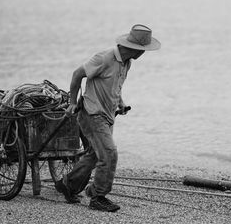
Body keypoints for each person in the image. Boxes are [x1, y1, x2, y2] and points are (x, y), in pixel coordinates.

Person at [55, 24, 161, 212]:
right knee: (110, 154)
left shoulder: (127, 62)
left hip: (108, 115)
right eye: (143, 50)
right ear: (134, 48)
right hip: (92, 114)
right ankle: (98, 196)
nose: (144, 54)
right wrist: (72, 102)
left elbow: (115, 85)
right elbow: (77, 74)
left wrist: (120, 102)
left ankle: (68, 184)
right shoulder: (104, 58)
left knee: (95, 155)